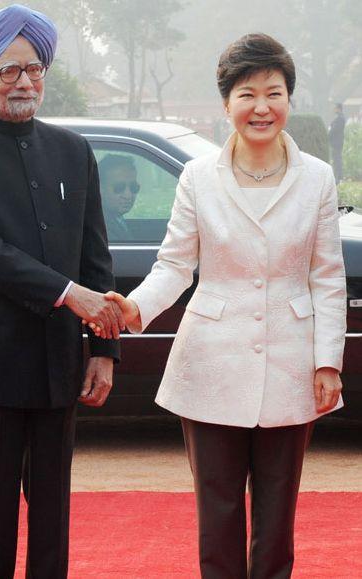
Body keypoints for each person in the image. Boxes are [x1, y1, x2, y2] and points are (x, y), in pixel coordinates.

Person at [92, 33, 347, 578]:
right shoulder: (198, 177)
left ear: (288, 100)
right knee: (218, 512)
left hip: (292, 364)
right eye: (247, 94)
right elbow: (175, 266)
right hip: (210, 362)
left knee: (277, 520)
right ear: (226, 104)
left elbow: (327, 277)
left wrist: (328, 360)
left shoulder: (317, 178)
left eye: (273, 93)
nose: (261, 107)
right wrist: (134, 309)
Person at [0, 5, 123, 578]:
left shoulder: (72, 151)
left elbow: (95, 255)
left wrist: (104, 350)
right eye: (7, 71)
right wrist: (69, 294)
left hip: (57, 362)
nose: (24, 82)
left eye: (33, 68)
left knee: (52, 516)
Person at [99, 154, 140, 241]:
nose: (128, 195)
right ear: (100, 188)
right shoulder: (102, 228)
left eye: (133, 187)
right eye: (119, 188)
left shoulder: (115, 219)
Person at [328, 102, 346, 184]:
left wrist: (328, 134)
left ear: (339, 108)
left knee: (337, 160)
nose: (334, 109)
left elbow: (334, 130)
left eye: (335, 108)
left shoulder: (340, 118)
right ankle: (338, 177)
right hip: (336, 142)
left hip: (337, 143)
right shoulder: (339, 118)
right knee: (336, 159)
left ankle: (338, 178)